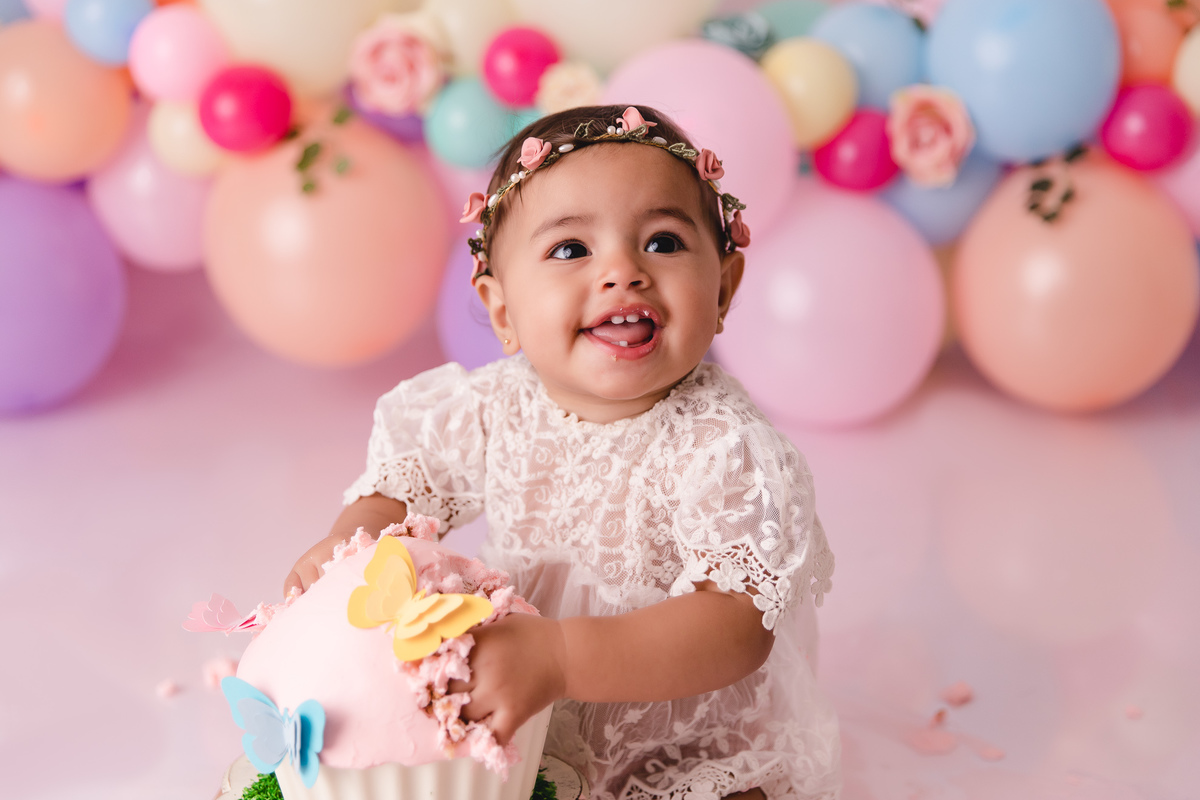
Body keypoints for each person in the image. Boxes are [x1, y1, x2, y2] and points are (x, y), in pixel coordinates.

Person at [284, 105, 840, 800]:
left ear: (724, 288)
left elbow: (734, 628)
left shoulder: (726, 447)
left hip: (684, 729)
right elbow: (409, 479)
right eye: (572, 250)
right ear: (504, 312)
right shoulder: (492, 407)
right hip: (522, 701)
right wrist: (351, 542)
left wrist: (563, 655)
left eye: (663, 242)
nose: (623, 272)